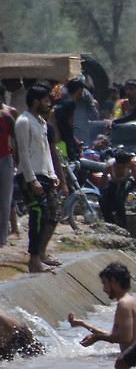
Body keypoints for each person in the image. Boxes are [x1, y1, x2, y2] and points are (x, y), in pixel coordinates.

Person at [15, 84, 60, 272]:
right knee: (38, 213)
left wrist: (53, 174)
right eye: (46, 100)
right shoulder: (23, 122)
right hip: (30, 176)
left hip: (45, 175)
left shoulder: (41, 122)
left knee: (54, 213)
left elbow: (46, 153)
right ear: (36, 102)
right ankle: (33, 259)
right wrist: (32, 179)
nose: (49, 104)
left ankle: (41, 253)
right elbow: (23, 154)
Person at [68, 261, 136, 352]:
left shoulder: (124, 304)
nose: (103, 289)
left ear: (113, 281)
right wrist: (83, 324)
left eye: (104, 283)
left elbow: (125, 337)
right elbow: (115, 336)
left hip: (131, 360)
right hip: (132, 358)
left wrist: (96, 338)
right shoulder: (130, 301)